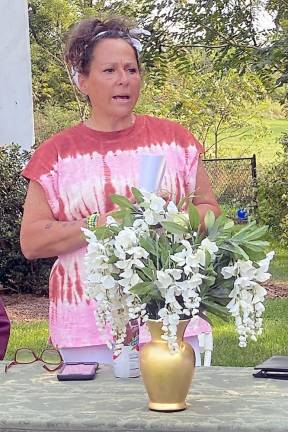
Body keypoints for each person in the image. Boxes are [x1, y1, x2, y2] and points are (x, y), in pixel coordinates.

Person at [20, 17, 221, 364]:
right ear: (82, 80)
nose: (124, 80)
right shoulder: (55, 154)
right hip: (86, 326)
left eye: (131, 69)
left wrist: (168, 219)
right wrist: (106, 224)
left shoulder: (175, 140)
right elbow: (33, 241)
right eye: (109, 70)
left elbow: (211, 212)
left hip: (173, 317)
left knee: (178, 415)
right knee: (98, 420)